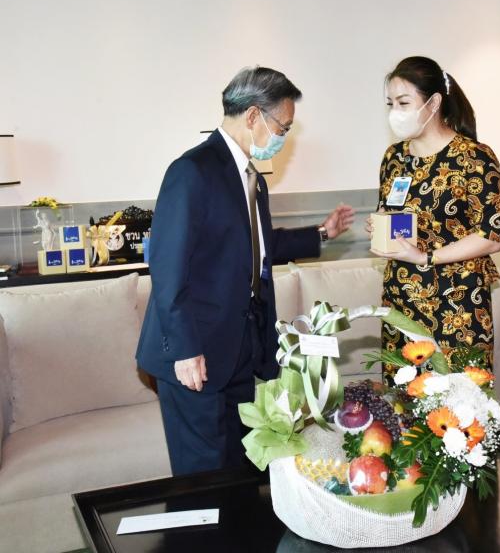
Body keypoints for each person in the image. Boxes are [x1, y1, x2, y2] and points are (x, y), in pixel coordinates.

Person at [137, 66, 355, 475]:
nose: (283, 137)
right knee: (203, 475)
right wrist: (185, 350)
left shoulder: (252, 177)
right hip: (195, 350)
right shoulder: (192, 171)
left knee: (239, 468)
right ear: (254, 115)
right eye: (282, 127)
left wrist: (321, 233)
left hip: (238, 345)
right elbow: (167, 270)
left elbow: (257, 247)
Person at [367, 56, 500, 370]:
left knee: (458, 393)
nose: (395, 112)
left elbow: (492, 236)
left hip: (456, 300)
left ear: (433, 103)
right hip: (401, 296)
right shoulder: (394, 157)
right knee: (404, 391)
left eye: (404, 103)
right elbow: (393, 210)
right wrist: (379, 225)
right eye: (390, 104)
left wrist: (426, 257)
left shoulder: (474, 157)